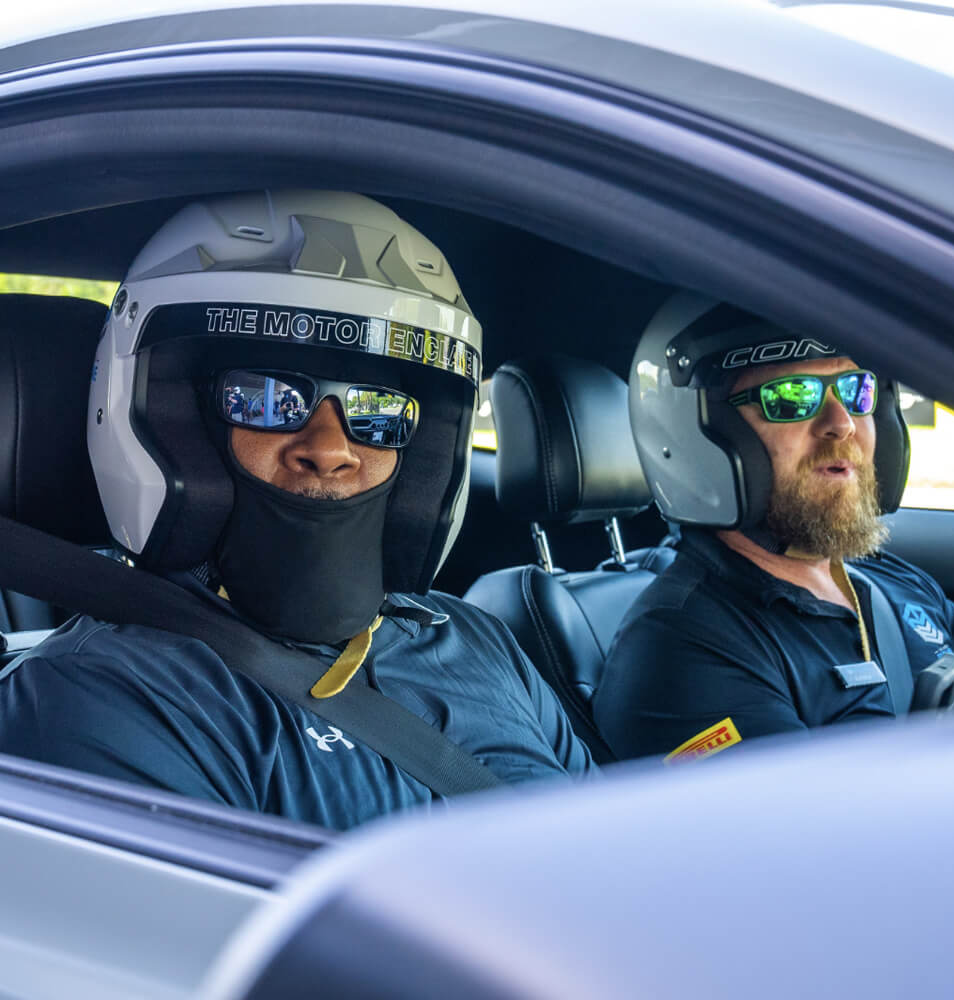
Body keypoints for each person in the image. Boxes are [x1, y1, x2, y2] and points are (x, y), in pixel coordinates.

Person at [0, 190, 593, 829]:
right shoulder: (101, 699)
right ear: (180, 424)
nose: (331, 447)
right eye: (268, 397)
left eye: (377, 410)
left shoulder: (475, 638)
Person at [593, 294, 954, 762]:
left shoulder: (892, 582)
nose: (842, 423)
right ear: (704, 434)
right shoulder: (681, 649)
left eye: (855, 390)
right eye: (791, 397)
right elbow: (821, 833)